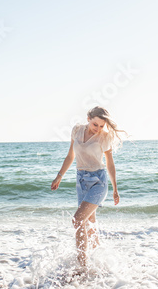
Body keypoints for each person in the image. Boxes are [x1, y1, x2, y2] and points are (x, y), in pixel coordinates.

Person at [51, 106, 126, 268]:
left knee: (77, 220)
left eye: (101, 126)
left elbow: (110, 164)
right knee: (89, 223)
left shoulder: (104, 137)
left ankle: (82, 266)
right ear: (88, 119)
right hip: (81, 181)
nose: (98, 129)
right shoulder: (76, 130)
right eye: (95, 125)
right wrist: (59, 176)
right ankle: (100, 261)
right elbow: (71, 155)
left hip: (98, 182)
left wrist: (115, 188)